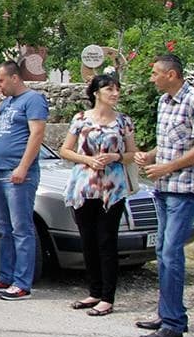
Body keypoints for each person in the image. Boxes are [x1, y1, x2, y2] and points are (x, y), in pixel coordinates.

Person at [133, 54, 194, 337]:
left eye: (155, 73)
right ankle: (167, 311)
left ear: (172, 75)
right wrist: (151, 156)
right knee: (163, 253)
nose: (151, 78)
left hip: (186, 188)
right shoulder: (164, 103)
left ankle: (173, 323)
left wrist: (168, 166)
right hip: (164, 186)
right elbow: (171, 141)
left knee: (170, 252)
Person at [58, 73, 137, 318]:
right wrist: (88, 160)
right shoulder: (81, 119)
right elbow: (65, 150)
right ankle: (93, 290)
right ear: (96, 93)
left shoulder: (123, 121)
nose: (114, 93)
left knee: (107, 241)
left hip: (112, 189)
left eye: (117, 89)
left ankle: (107, 297)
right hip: (84, 186)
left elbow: (132, 154)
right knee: (88, 240)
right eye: (109, 89)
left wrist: (115, 157)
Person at [0, 60, 49, 301]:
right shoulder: (6, 102)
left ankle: (22, 282)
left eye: (0, 80)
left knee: (21, 228)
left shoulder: (33, 100)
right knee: (3, 227)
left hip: (17, 172)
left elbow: (37, 133)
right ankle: (5, 275)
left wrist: (23, 166)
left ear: (15, 78)